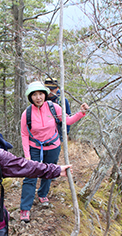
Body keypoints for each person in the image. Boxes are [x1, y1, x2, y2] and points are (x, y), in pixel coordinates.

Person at [20, 81, 89, 222]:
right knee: (30, 176)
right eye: (35, 95)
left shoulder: (54, 108)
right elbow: (24, 134)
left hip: (53, 146)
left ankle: (43, 194)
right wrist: (27, 155)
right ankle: (25, 209)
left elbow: (67, 121)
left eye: (40, 94)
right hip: (34, 148)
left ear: (45, 95)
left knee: (49, 171)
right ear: (30, 97)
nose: (38, 97)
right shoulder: (26, 114)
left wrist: (81, 113)